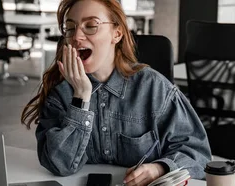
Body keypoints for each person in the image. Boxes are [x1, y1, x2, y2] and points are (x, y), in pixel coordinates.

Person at [20, 0, 212, 185]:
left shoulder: (155, 88)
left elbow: (198, 154)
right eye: (70, 28)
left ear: (117, 33)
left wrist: (159, 169)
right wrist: (81, 97)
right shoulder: (61, 94)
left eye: (91, 25)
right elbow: (58, 165)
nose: (77, 36)